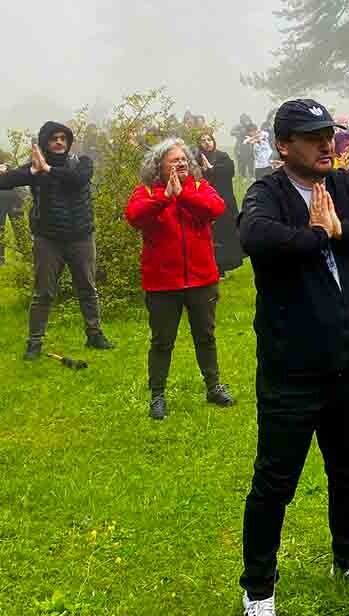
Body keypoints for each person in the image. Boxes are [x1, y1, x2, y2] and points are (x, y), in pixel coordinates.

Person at [236, 99, 349, 616]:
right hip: (291, 369)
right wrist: (317, 233)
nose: (326, 145)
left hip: (347, 361)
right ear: (283, 146)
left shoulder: (345, 185)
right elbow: (256, 238)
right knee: (275, 482)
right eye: (312, 137)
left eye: (329, 135)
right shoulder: (266, 194)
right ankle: (259, 594)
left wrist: (342, 230)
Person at [125, 138, 234, 419]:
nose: (181, 163)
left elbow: (216, 208)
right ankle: (157, 395)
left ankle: (213, 387)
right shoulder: (147, 191)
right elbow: (134, 215)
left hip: (201, 279)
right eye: (174, 160)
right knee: (162, 341)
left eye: (184, 159)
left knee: (206, 337)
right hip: (162, 283)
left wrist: (181, 195)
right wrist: (165, 198)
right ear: (158, 165)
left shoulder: (199, 188)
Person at [0, 121, 114, 360]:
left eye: (63, 138)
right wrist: (32, 171)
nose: (60, 142)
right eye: (54, 138)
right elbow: (5, 182)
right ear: (45, 143)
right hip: (48, 241)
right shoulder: (35, 168)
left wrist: (47, 169)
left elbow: (78, 180)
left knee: (87, 289)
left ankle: (94, 334)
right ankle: (34, 343)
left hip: (81, 237)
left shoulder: (82, 163)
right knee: (43, 293)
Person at [196, 131, 244, 277]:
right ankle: (212, 268)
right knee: (211, 235)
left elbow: (229, 171)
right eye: (203, 140)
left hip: (224, 200)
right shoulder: (196, 160)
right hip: (205, 203)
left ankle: (224, 266)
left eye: (209, 139)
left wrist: (211, 169)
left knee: (225, 234)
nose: (207, 142)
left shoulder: (222, 156)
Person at [0, 159, 26, 267]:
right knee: (17, 227)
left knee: (19, 227)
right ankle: (1, 259)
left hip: (13, 197)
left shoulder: (11, 164)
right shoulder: (10, 163)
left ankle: (26, 254)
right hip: (11, 196)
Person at [233, 113, 256, 178]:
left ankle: (251, 175)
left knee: (251, 162)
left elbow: (256, 133)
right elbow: (232, 132)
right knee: (241, 162)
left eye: (247, 119)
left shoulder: (252, 126)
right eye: (244, 119)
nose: (246, 121)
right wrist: (240, 133)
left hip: (250, 146)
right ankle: (242, 176)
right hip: (240, 146)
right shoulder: (239, 126)